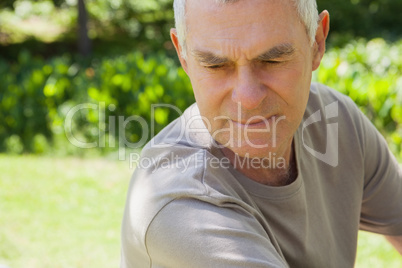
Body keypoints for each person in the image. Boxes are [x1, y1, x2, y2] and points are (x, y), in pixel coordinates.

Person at [120, 0, 402, 267]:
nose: (248, 98)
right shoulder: (178, 203)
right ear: (183, 54)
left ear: (317, 41)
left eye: (273, 60)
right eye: (215, 65)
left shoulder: (334, 119)